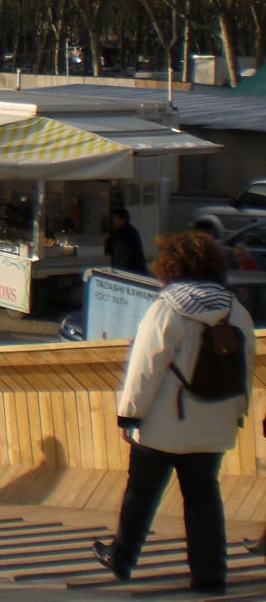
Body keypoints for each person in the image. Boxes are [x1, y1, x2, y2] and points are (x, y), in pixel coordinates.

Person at [92, 232, 253, 593]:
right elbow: (246, 367)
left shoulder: (168, 306)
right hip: (216, 420)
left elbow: (146, 365)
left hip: (166, 422)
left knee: (141, 493)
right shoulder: (235, 309)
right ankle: (209, 575)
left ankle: (122, 558)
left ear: (170, 266)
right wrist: (239, 412)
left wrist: (129, 414)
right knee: (203, 497)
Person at [104, 206, 148, 276]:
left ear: (123, 219)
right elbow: (109, 251)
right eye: (113, 218)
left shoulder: (130, 233)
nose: (113, 221)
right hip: (121, 271)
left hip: (133, 273)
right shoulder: (115, 233)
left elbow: (129, 257)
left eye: (116, 218)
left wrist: (121, 272)